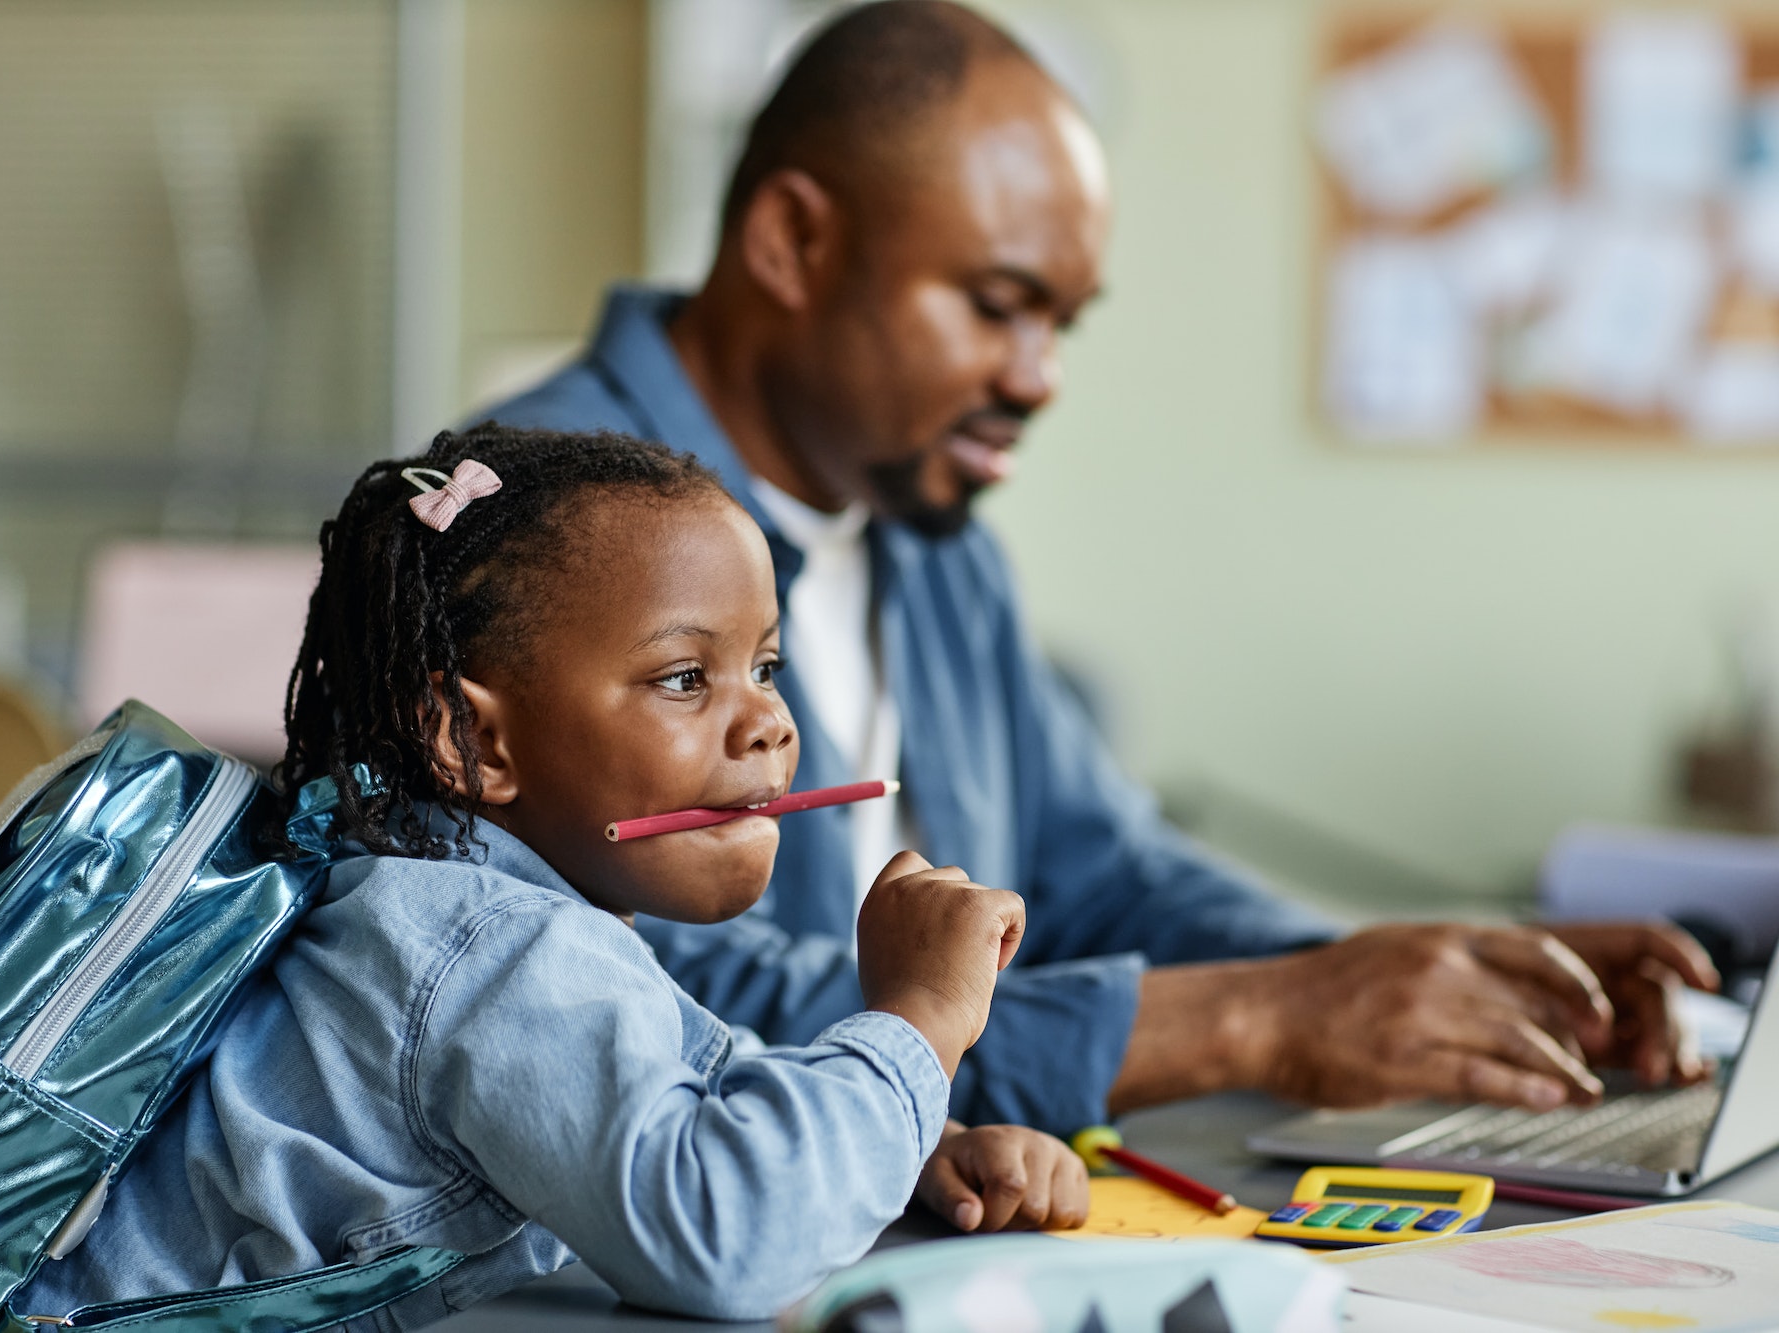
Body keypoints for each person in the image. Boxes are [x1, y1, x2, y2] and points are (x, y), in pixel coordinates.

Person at [478, 0, 1719, 1135]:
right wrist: (1262, 1016)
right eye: (996, 303)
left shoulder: (921, 527)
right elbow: (643, 1002)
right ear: (794, 241)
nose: (1037, 378)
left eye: (1059, 322)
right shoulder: (530, 533)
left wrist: (1419, 979)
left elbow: (1104, 874)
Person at [26, 425, 1087, 1327]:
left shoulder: (435, 898)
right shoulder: (492, 945)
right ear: (467, 739)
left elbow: (689, 1084)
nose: (767, 721)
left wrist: (912, 1143)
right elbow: (723, 1233)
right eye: (684, 677)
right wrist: (918, 1023)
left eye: (763, 667)